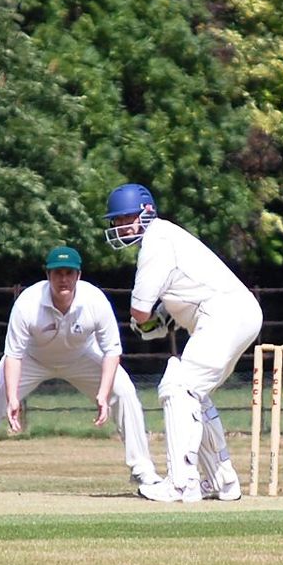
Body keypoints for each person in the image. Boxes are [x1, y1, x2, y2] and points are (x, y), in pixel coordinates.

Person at [0, 246, 160, 489]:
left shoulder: (94, 300)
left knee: (124, 391)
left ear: (78, 275)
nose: (63, 279)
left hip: (82, 356)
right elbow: (13, 355)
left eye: (69, 273)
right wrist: (13, 398)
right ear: (48, 275)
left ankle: (142, 468)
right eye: (58, 273)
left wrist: (102, 392)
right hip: (32, 358)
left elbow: (111, 351)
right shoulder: (28, 303)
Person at [104, 183, 261, 503]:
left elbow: (140, 311)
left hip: (224, 316)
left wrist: (145, 322)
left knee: (178, 388)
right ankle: (223, 480)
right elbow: (173, 301)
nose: (120, 227)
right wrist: (162, 317)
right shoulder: (168, 236)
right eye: (117, 221)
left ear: (145, 213)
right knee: (194, 394)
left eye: (125, 219)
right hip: (237, 314)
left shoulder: (156, 241)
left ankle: (181, 482)